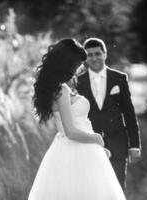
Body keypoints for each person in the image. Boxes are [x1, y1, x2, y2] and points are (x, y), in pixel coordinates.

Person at [28, 38, 126, 200]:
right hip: (75, 148)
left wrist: (98, 149)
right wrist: (96, 138)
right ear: (67, 63)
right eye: (77, 63)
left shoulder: (62, 88)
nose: (81, 67)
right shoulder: (62, 91)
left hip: (81, 147)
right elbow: (71, 132)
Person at [76, 37, 141, 190]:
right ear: (85, 58)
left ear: (105, 54)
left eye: (97, 53)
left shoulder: (119, 79)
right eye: (89, 55)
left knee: (117, 188)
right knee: (94, 189)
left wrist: (135, 145)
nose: (94, 58)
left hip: (118, 143)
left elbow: (129, 112)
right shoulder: (78, 82)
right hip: (91, 144)